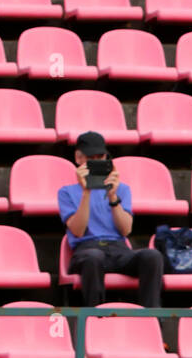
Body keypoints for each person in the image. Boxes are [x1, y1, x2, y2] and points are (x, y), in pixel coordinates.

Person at [58, 131, 164, 308]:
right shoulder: (66, 192)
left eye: (99, 157)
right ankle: (94, 317)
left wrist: (113, 197)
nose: (95, 161)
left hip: (118, 249)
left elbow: (126, 230)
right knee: (94, 256)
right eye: (89, 157)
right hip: (87, 249)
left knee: (152, 256)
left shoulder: (121, 189)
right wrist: (86, 192)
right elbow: (77, 230)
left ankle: (152, 318)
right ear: (78, 158)